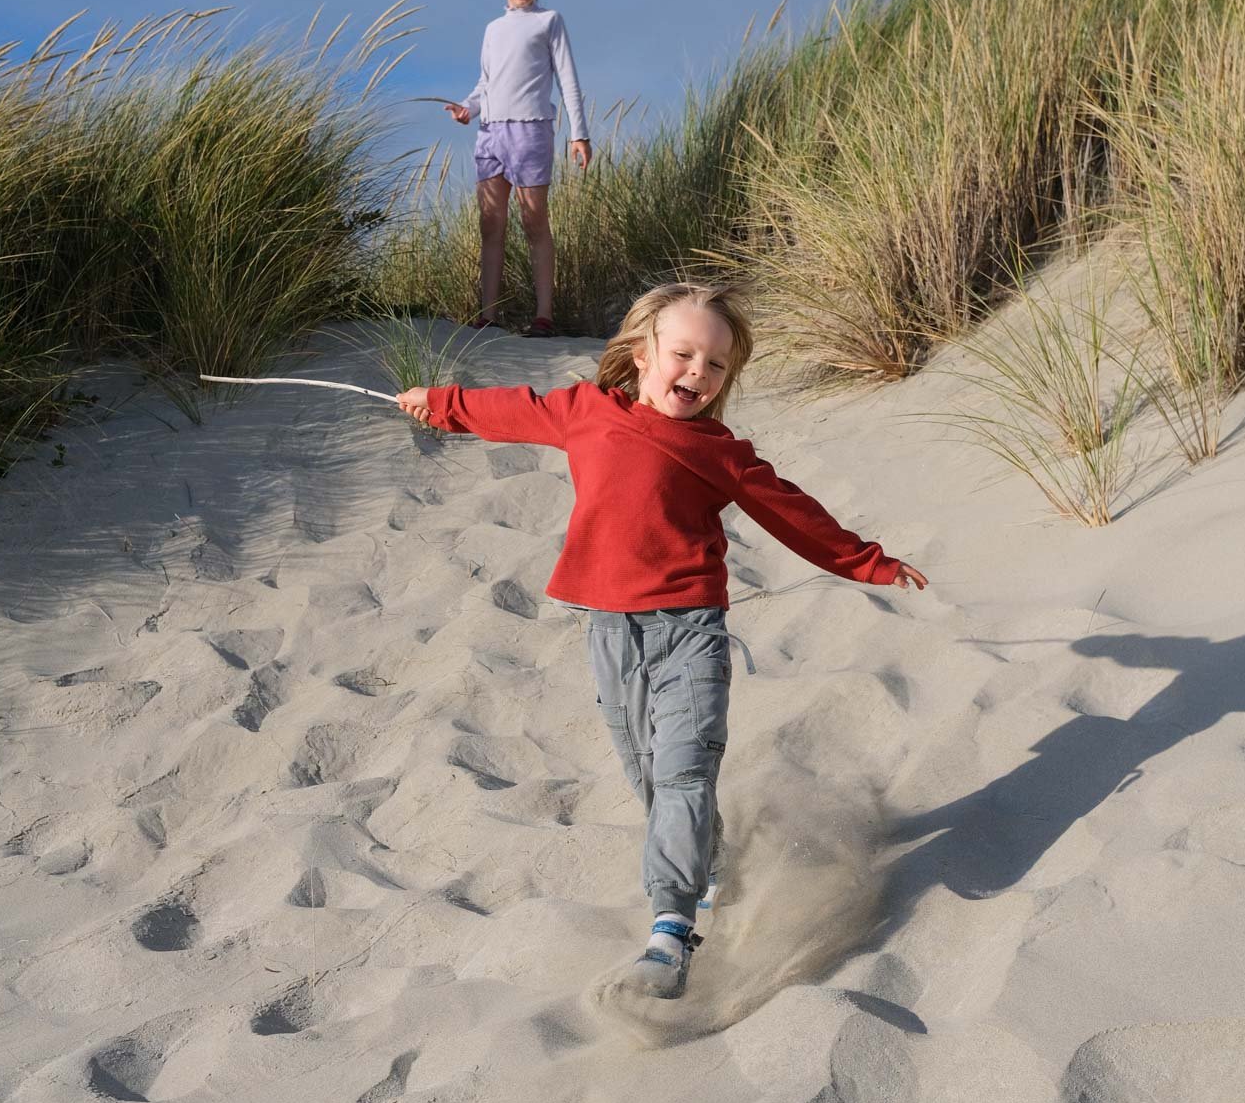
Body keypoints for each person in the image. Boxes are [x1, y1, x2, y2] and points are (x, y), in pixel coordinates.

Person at [397, 282, 927, 999]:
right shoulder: (584, 412)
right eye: (683, 355)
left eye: (716, 366)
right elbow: (511, 410)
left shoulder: (720, 452)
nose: (698, 375)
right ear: (641, 355)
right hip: (610, 633)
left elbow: (793, 514)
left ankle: (670, 930)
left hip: (691, 632)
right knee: (650, 778)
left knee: (682, 770)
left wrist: (869, 561)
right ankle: (707, 863)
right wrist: (442, 403)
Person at [445, 0, 591, 338]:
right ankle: (487, 315)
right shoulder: (493, 30)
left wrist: (579, 133)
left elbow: (568, 80)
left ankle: (544, 315)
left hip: (531, 132)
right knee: (490, 225)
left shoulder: (549, 21)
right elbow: (486, 83)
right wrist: (467, 109)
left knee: (533, 222)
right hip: (491, 133)